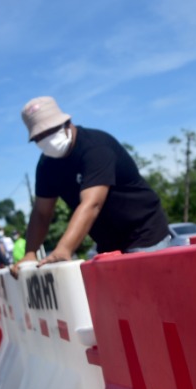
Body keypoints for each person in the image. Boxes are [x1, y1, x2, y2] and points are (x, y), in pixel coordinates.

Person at [13, 96, 171, 273]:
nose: (47, 139)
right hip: (107, 242)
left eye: (51, 131)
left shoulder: (95, 148)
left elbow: (91, 204)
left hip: (144, 232)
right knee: (114, 297)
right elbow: (41, 213)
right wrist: (30, 253)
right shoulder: (46, 166)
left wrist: (64, 249)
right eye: (39, 137)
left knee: (146, 291)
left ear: (67, 123)